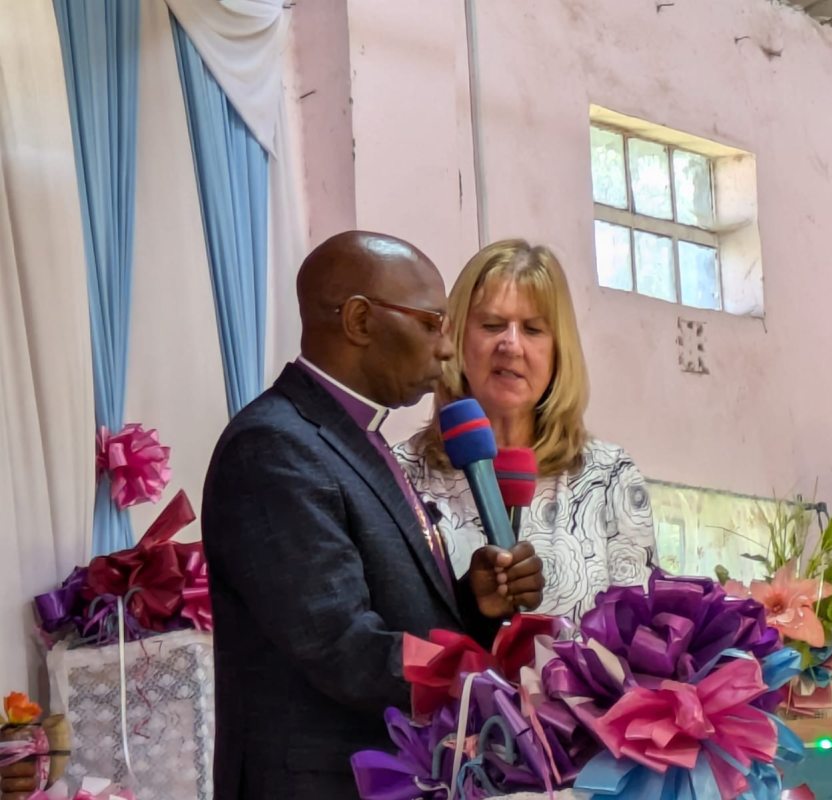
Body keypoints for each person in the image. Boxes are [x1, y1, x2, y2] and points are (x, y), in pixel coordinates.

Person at [201, 231, 545, 800]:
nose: (445, 350)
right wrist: (494, 681)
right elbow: (339, 643)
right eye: (432, 323)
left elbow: (383, 608)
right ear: (359, 321)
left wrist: (471, 605)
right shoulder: (274, 446)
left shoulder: (350, 437)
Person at [394, 239, 656, 622]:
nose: (511, 345)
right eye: (492, 325)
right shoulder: (401, 473)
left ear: (558, 351)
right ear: (455, 340)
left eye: (533, 329)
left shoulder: (609, 475)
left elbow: (640, 634)